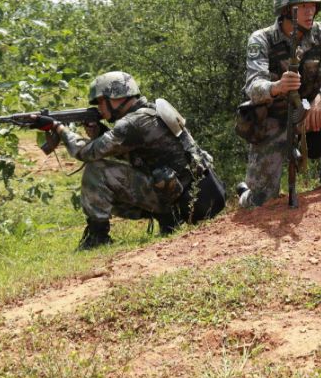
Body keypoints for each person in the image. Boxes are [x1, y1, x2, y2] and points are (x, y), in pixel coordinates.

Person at [32, 71, 224, 250]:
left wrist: (58, 128)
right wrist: (100, 132)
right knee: (111, 178)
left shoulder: (132, 122)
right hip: (191, 194)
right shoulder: (149, 113)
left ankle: (98, 237)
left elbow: (86, 153)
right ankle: (169, 219)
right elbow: (134, 153)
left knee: (96, 170)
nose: (98, 108)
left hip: (180, 198)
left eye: (100, 102)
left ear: (115, 98)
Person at [236, 0, 321, 208]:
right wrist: (276, 87)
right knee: (260, 202)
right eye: (303, 6)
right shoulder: (261, 39)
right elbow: (252, 87)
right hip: (274, 121)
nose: (310, 11)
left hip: (312, 112)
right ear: (286, 10)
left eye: (313, 5)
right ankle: (245, 193)